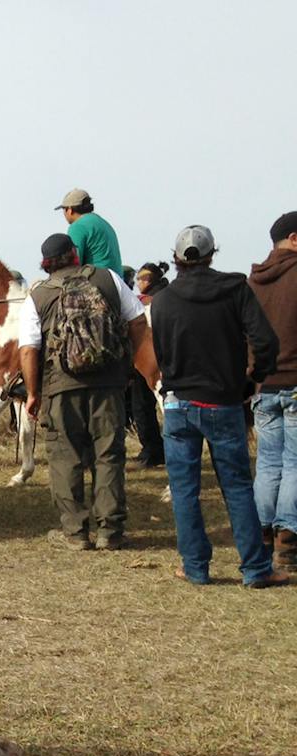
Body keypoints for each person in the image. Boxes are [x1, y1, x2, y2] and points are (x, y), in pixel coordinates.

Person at [150, 226, 286, 587]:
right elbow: (265, 340)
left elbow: (160, 354)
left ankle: (195, 568)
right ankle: (256, 569)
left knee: (184, 490)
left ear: (177, 258)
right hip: (224, 402)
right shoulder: (235, 289)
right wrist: (253, 378)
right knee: (238, 486)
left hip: (178, 404)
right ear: (212, 255)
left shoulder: (162, 300)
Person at [20, 234, 149, 550]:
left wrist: (34, 393)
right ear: (74, 254)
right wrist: (130, 365)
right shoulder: (109, 280)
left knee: (66, 458)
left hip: (61, 388)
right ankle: (111, 532)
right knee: (109, 455)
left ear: (45, 263)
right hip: (108, 384)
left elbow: (28, 350)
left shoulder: (38, 296)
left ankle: (76, 533)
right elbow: (138, 322)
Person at [250, 211, 297, 569]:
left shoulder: (254, 281)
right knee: (294, 462)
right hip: (295, 380)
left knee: (267, 462)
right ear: (294, 239)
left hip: (264, 384)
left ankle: (263, 532)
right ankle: (288, 540)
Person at [128, 261, 172, 468]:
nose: (139, 282)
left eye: (143, 278)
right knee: (142, 406)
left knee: (146, 405)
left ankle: (154, 450)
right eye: (138, 278)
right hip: (147, 357)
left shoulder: (153, 300)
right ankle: (153, 450)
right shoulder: (144, 300)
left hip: (153, 356)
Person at [57, 189, 123, 275]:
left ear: (69, 210)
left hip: (98, 280)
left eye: (64, 210)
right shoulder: (103, 223)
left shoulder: (77, 226)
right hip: (117, 281)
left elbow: (73, 264)